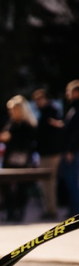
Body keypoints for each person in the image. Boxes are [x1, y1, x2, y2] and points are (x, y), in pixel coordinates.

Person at [0, 95, 37, 222]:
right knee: (5, 186)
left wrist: (11, 138)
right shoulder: (11, 123)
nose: (11, 112)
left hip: (22, 160)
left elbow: (27, 142)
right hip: (9, 159)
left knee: (21, 187)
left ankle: (19, 213)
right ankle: (10, 212)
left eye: (13, 110)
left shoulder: (27, 124)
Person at [32, 89, 63, 220]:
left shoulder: (51, 111)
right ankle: (50, 209)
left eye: (38, 100)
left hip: (50, 152)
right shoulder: (46, 111)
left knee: (48, 182)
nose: (37, 104)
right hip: (46, 152)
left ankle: (51, 210)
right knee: (46, 183)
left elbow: (58, 126)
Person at [57, 80, 79, 217]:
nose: (68, 94)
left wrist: (70, 149)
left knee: (71, 180)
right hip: (73, 149)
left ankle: (75, 210)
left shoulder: (77, 109)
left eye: (70, 91)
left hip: (74, 150)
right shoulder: (73, 108)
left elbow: (76, 132)